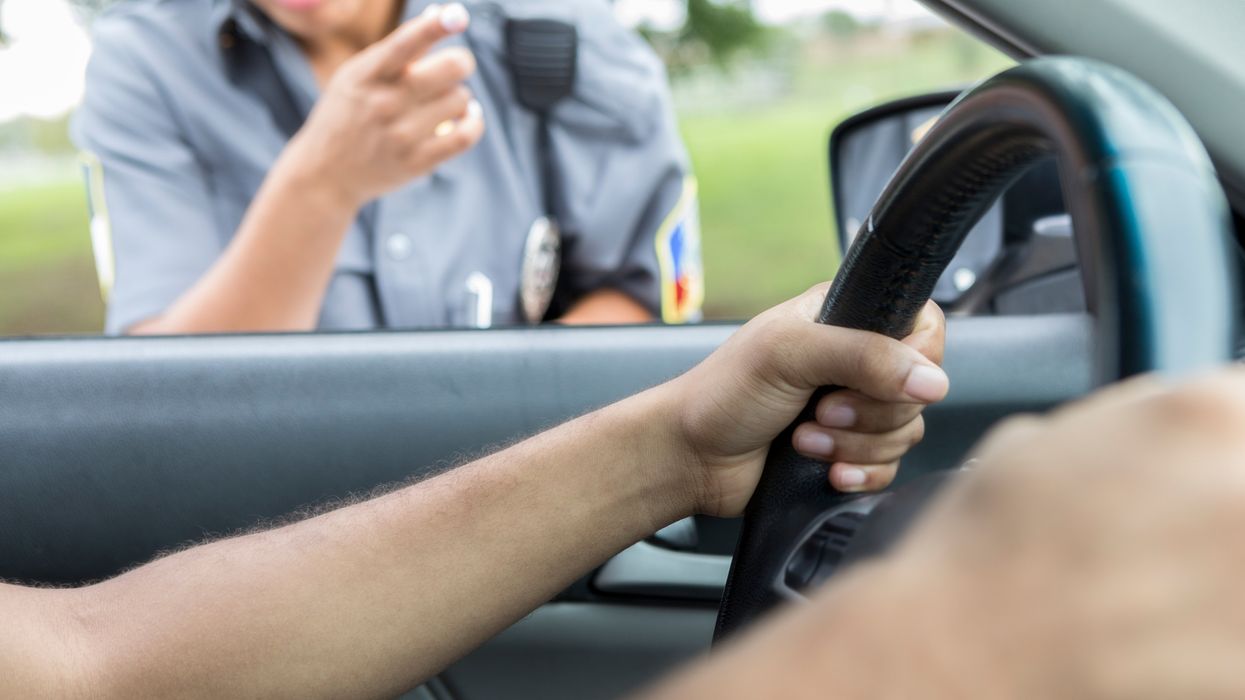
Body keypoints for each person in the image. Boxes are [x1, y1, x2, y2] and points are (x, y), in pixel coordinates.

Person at [72, 0, 703, 335]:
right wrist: (320, 186)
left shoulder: (562, 27)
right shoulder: (145, 62)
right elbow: (166, 407)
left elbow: (646, 308)